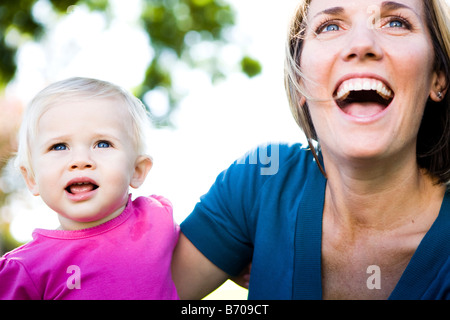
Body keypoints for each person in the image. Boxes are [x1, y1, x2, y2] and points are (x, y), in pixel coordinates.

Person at [172, 0, 450, 299]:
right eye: (330, 26)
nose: (361, 44)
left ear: (438, 76)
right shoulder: (263, 180)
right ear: (300, 79)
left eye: (395, 22)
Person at [0, 77, 179, 299]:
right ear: (32, 178)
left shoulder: (156, 219)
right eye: (59, 146)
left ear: (137, 170)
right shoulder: (25, 269)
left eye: (103, 144)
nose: (80, 160)